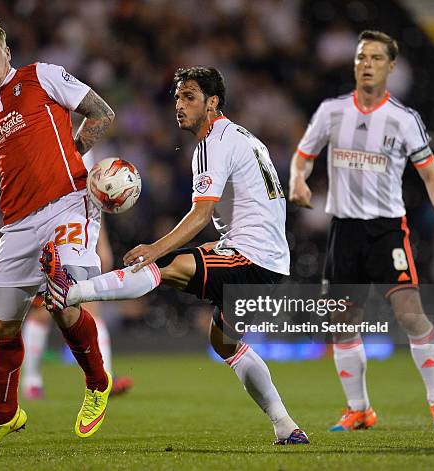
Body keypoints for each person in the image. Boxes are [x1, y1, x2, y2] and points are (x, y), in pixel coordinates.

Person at [41, 66, 309, 445]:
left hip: (252, 258)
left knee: (164, 265)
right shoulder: (237, 136)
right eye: (177, 97)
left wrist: (155, 248)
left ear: (212, 103)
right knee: (224, 343)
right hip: (268, 258)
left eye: (190, 97)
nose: (179, 106)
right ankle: (286, 427)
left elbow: (201, 214)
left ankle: (71, 293)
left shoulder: (215, 141)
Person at [0, 16, 115, 451]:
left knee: (64, 298)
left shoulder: (41, 77)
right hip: (17, 227)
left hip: (69, 203)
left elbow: (102, 114)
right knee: (3, 327)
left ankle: (97, 383)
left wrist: (73, 152)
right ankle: (6, 416)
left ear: (7, 52)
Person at [288, 30, 434, 431]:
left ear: (391, 67)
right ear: (354, 64)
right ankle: (360, 409)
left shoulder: (403, 119)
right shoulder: (332, 112)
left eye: (376, 58)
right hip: (344, 231)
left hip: (387, 231)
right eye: (361, 57)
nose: (367, 64)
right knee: (341, 321)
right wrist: (299, 179)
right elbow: (302, 156)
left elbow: (433, 177)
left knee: (409, 313)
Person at [22, 223, 133, 399]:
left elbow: (95, 199)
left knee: (89, 308)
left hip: (80, 237)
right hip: (48, 233)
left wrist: (102, 243)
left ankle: (105, 378)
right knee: (42, 312)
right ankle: (32, 380)